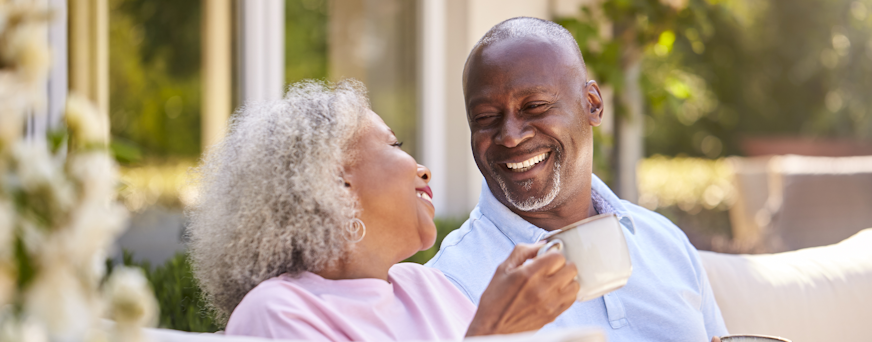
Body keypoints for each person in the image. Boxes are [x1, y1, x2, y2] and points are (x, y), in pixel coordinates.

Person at [186, 80, 580, 342]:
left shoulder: (431, 288)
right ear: (334, 183)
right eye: (393, 145)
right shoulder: (277, 312)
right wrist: (492, 331)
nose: (423, 168)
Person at [426, 17, 729, 342]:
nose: (510, 136)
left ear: (593, 105)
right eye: (486, 117)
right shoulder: (449, 281)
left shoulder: (664, 242)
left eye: (535, 106)